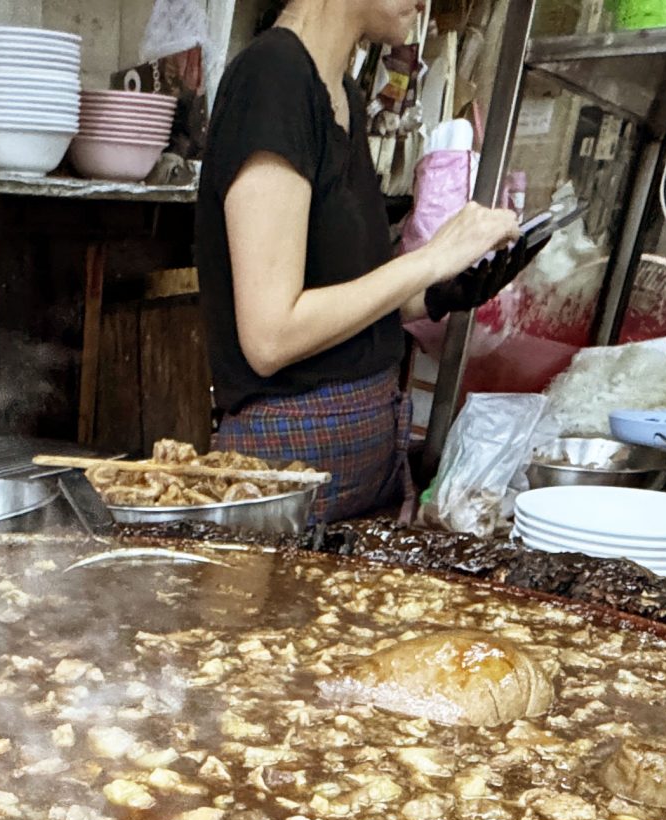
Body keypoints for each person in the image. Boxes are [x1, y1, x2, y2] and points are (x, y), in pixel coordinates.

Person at [199, 0, 523, 521]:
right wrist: (431, 259)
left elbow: (343, 306)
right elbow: (270, 336)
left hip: (363, 458)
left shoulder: (342, 92)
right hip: (290, 467)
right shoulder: (274, 78)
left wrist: (437, 293)